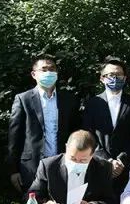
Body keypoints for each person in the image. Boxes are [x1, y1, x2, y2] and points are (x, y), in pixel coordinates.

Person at [7, 55, 82, 193]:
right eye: (44, 69)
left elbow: (76, 133)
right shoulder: (23, 99)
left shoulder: (69, 100)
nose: (48, 72)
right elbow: (14, 136)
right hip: (31, 166)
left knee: (62, 203)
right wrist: (13, 170)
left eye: (52, 69)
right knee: (33, 203)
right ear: (34, 74)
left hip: (63, 163)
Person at [82, 56, 130, 192]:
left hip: (126, 168)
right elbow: (88, 134)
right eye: (110, 75)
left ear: (125, 78)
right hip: (98, 166)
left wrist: (121, 161)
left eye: (119, 75)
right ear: (102, 78)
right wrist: (107, 161)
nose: (115, 78)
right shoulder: (92, 103)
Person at [27, 129, 116, 204]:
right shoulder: (48, 166)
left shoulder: (103, 167)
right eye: (72, 158)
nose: (76, 163)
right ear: (66, 148)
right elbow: (29, 197)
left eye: (83, 160)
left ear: (92, 155)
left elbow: (111, 201)